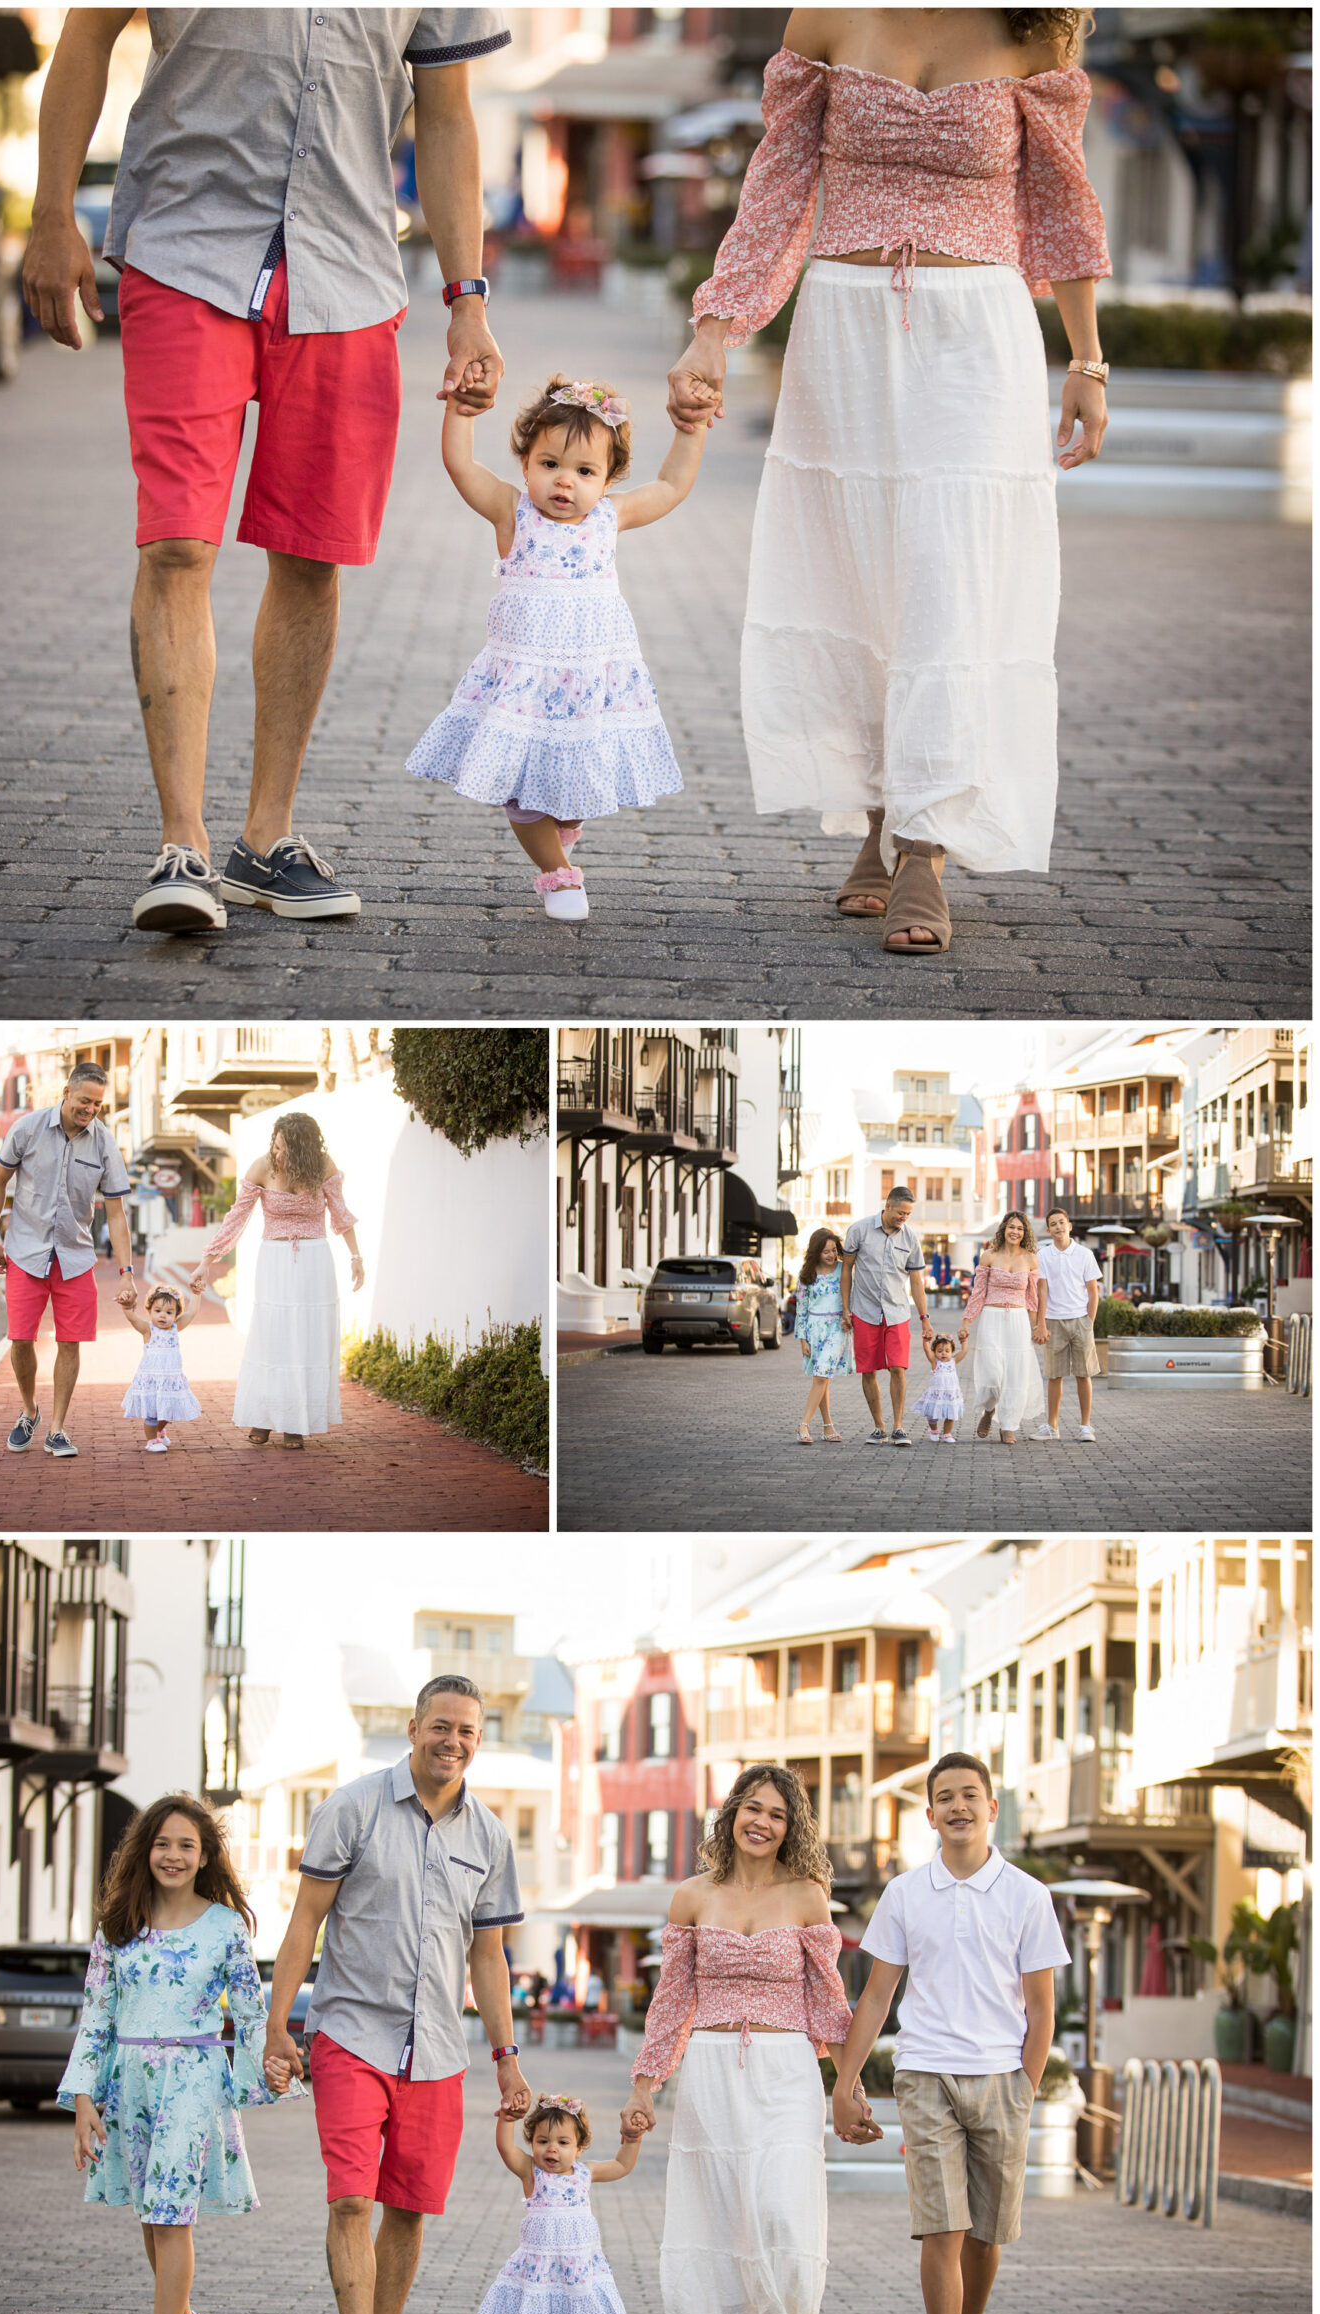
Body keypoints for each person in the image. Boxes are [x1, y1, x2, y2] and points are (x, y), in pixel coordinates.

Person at [21, 7, 511, 937]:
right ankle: (182, 844)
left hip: (348, 272)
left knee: (312, 556)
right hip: (184, 250)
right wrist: (52, 214)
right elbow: (85, 36)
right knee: (176, 544)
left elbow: (447, 114)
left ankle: (266, 837)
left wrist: (467, 302)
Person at [666, 7, 1110, 955]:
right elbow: (778, 189)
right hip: (844, 331)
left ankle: (924, 847)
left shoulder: (1032, 27)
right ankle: (876, 814)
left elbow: (1063, 201)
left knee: (949, 582)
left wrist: (1088, 360)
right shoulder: (827, 14)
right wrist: (714, 329)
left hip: (977, 332)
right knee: (858, 581)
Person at [262, 1674, 532, 2314]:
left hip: (438, 2049)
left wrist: (507, 2056)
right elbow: (304, 1923)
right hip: (351, 2033)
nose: (452, 1742)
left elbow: (488, 1957)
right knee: (352, 2197)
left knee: (408, 2210)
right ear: (413, 1729)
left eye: (467, 1731)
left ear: (480, 1740)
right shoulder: (352, 1808)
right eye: (440, 1726)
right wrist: (278, 2025)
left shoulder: (489, 1836)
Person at [406, 373, 703, 923]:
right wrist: (461, 412)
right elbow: (461, 465)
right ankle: (557, 873)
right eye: (549, 464)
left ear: (608, 479)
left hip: (587, 684)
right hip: (524, 683)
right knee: (522, 789)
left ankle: (562, 822)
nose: (565, 481)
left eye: (585, 472)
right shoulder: (512, 512)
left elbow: (671, 485)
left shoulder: (610, 517)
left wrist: (694, 428)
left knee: (565, 784)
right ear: (525, 464)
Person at [831, 1753, 1070, 2314]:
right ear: (930, 1814)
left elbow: (1042, 2009)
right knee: (943, 2227)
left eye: (970, 1795)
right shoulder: (905, 1894)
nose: (958, 1806)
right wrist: (846, 2083)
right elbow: (877, 1996)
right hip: (926, 2073)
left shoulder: (1027, 1895)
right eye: (944, 1797)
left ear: (991, 1808)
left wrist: (1024, 2089)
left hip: (1002, 2079)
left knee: (986, 2237)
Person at [623, 1762, 869, 2314]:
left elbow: (830, 2003)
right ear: (732, 1813)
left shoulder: (808, 1896)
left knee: (782, 2211)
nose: (762, 1822)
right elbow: (671, 2002)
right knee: (729, 2215)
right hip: (711, 2071)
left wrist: (849, 2085)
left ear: (792, 1828)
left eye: (777, 1814)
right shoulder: (692, 1896)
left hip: (787, 2070)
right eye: (753, 1808)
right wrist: (645, 2086)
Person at [58, 1793, 291, 2314]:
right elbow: (97, 2017)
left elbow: (250, 2015)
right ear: (145, 1851)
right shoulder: (117, 1927)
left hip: (192, 2078)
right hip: (130, 2082)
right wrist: (83, 2098)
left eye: (187, 1845)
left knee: (169, 2215)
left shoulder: (225, 1927)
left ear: (205, 1856)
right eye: (162, 1843)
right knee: (151, 2217)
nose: (173, 1855)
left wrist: (272, 2067)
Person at [0, 1060, 137, 1461]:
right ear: (66, 1093)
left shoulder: (104, 1143)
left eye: (98, 1104)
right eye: (85, 1100)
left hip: (75, 1257)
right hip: (25, 1252)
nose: (91, 1109)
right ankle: (29, 1411)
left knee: (71, 1342)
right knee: (21, 1339)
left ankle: (56, 1429)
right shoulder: (28, 1129)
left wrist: (126, 1273)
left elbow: (116, 1214)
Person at [193, 1112, 363, 1451]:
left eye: (283, 1147)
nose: (276, 1152)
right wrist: (206, 1262)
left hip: (314, 1261)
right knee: (273, 1339)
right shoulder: (261, 1167)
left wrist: (356, 1257)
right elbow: (236, 1219)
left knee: (306, 1341)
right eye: (275, 1144)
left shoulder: (323, 1166)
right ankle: (263, 1418)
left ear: (302, 1148)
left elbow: (341, 1214)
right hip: (275, 1262)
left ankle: (295, 1424)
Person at [477, 2092, 641, 2314]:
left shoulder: (585, 2173)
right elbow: (505, 2148)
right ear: (532, 2143)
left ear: (579, 2147)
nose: (552, 2148)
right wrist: (506, 2120)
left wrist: (632, 2139)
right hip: (539, 2266)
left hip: (578, 2264)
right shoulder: (531, 2172)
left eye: (563, 2142)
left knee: (591, 2313)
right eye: (543, 2141)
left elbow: (622, 2165)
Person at [840, 1186, 931, 1445]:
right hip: (864, 1311)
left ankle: (898, 1427)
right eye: (901, 1212)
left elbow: (916, 1281)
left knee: (897, 1367)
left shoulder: (910, 1238)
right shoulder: (859, 1230)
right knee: (868, 1370)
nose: (904, 1217)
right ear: (888, 1206)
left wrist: (925, 1318)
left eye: (908, 1214)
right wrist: (846, 1309)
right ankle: (879, 1427)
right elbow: (846, 1270)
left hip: (897, 1312)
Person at [961, 1211, 1049, 1443]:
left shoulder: (1030, 1259)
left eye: (1020, 1228)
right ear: (1004, 1229)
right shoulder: (989, 1256)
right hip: (991, 1318)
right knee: (992, 1372)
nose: (1015, 1232)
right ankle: (989, 1409)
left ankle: (1008, 1425)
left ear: (1025, 1233)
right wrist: (966, 1322)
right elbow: (978, 1293)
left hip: (1018, 1321)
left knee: (1015, 1375)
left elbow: (1032, 1299)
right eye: (1011, 1227)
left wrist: (1038, 1326)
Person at [1034, 1206, 1102, 1440]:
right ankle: (1052, 1427)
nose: (1058, 1227)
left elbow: (1093, 1292)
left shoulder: (1085, 1254)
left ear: (1069, 1226)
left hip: (1080, 1320)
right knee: (1054, 1376)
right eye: (1053, 1224)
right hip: (1053, 1322)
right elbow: (1042, 1291)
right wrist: (1041, 1323)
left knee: (1084, 1374)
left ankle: (1086, 1426)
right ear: (1048, 1230)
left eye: (1061, 1222)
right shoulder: (1043, 1255)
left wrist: (1089, 1322)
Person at [121, 1278, 207, 1454]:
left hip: (170, 1381)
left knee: (169, 1410)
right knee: (152, 1414)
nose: (162, 1315)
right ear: (149, 1311)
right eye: (158, 1310)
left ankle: (159, 1431)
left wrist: (196, 1294)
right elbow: (132, 1318)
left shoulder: (175, 1328)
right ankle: (151, 1440)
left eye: (169, 1312)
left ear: (175, 1316)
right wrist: (126, 1304)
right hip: (152, 1381)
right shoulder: (148, 1329)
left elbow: (191, 1312)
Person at [795, 1224, 855, 1443]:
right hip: (814, 1330)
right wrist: (803, 1340)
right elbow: (801, 1309)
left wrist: (850, 1317)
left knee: (821, 1376)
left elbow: (852, 1297)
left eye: (833, 1250)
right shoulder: (806, 1275)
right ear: (816, 1252)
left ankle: (803, 1425)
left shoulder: (843, 1270)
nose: (831, 1255)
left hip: (837, 1328)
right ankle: (828, 1427)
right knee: (823, 1378)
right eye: (825, 1251)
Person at [909, 1329, 969, 1443]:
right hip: (936, 1395)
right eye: (940, 1351)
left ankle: (947, 1434)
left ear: (952, 1352)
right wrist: (926, 1341)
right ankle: (934, 1430)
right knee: (932, 1415)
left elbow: (965, 1350)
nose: (943, 1353)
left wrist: (964, 1340)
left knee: (951, 1414)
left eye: (947, 1351)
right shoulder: (935, 1362)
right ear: (935, 1352)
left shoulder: (954, 1361)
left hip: (950, 1395)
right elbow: (927, 1350)